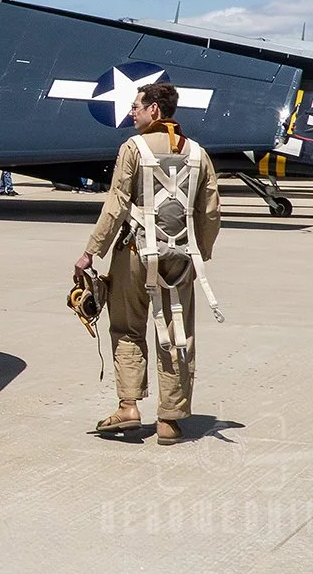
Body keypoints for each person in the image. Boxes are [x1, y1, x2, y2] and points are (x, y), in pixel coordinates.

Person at [73, 83, 220, 446]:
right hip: (182, 260)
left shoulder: (133, 148)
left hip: (134, 255)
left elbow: (117, 203)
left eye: (137, 106)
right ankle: (169, 421)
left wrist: (91, 251)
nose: (132, 113)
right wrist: (199, 251)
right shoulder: (199, 153)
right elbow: (211, 210)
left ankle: (128, 406)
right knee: (177, 336)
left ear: (155, 110)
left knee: (126, 328)